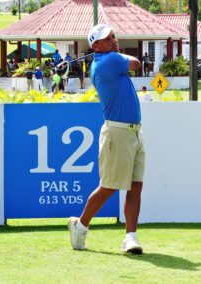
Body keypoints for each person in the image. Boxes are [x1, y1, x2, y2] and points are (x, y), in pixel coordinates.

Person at [68, 24, 144, 254]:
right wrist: (114, 51)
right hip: (117, 132)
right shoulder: (108, 61)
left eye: (113, 36)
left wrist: (111, 49)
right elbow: (136, 63)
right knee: (109, 186)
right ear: (95, 46)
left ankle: (130, 238)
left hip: (134, 132)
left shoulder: (107, 58)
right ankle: (80, 226)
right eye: (107, 38)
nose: (113, 39)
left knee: (135, 187)